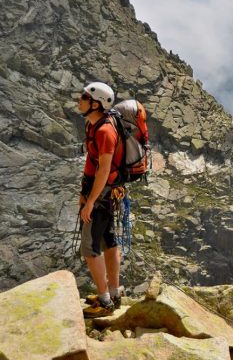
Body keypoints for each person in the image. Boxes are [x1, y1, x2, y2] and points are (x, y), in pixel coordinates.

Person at [78, 81, 124, 317]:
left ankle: (105, 301)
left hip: (101, 193)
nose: (80, 99)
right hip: (104, 192)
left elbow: (103, 170)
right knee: (108, 240)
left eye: (84, 97)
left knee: (89, 247)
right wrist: (84, 192)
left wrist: (90, 202)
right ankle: (114, 294)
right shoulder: (94, 123)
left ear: (96, 104)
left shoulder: (104, 131)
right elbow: (92, 164)